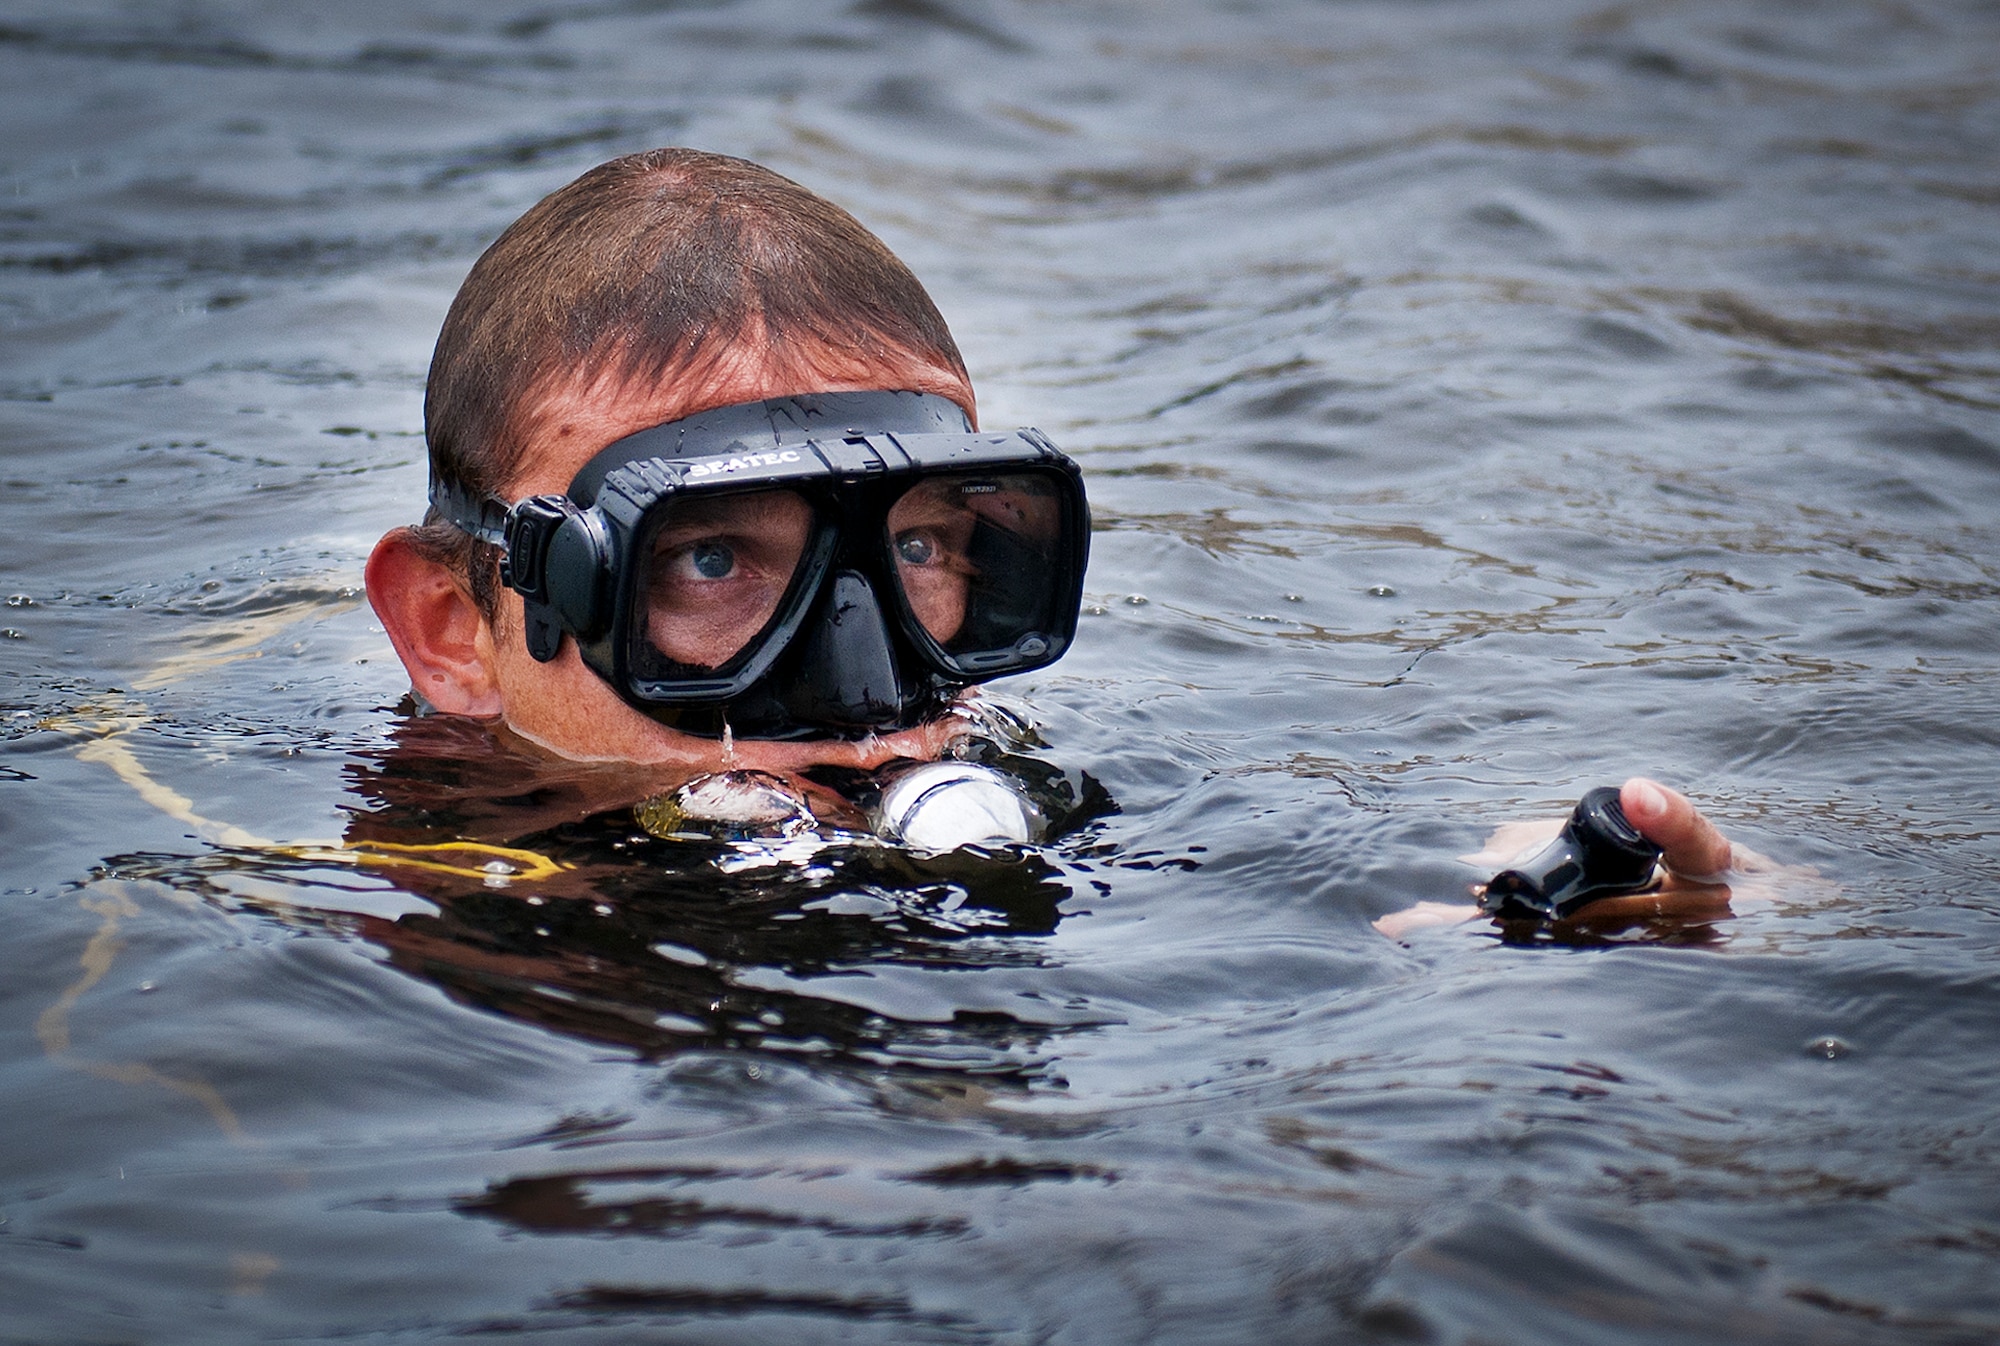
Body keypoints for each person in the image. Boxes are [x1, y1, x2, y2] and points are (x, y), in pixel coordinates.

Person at [365, 146, 1753, 922]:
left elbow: (1293, 907)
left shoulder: (1017, 808)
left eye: (914, 553)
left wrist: (1522, 893)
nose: (870, 707)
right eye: (711, 562)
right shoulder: (335, 925)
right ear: (455, 629)